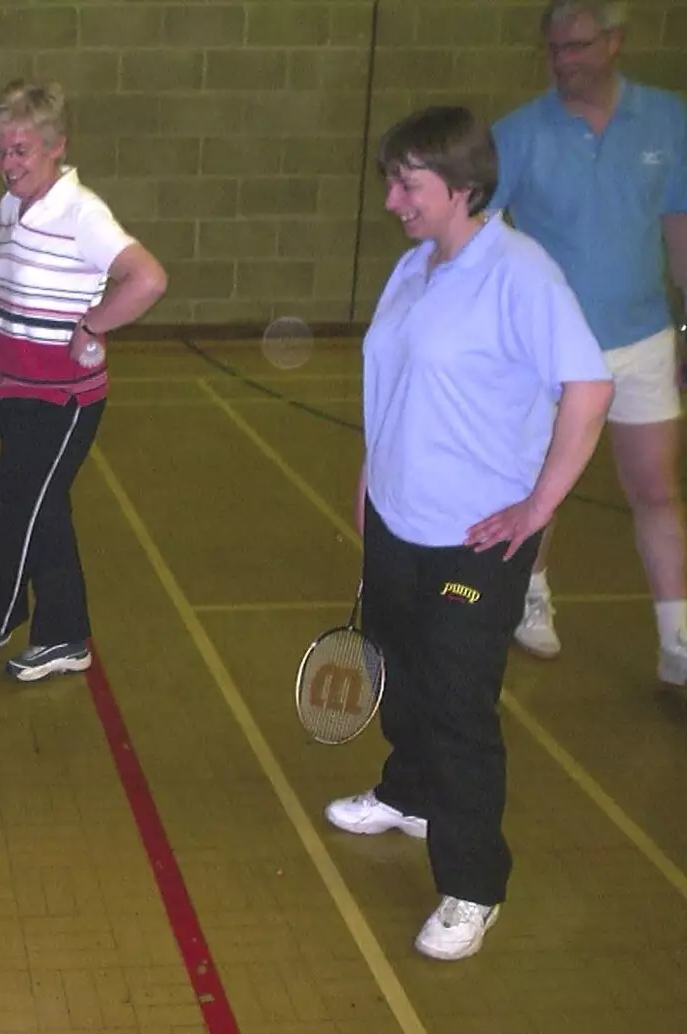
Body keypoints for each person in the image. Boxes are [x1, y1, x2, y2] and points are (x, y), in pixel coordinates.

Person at [327, 106, 613, 961]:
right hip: (398, 520)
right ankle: (408, 794)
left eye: (407, 184)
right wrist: (372, 477)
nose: (391, 200)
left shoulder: (520, 274)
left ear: (462, 187)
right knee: (400, 673)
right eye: (390, 180)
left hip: (475, 541)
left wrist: (538, 508)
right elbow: (396, 380)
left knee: (456, 706)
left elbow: (588, 390)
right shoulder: (416, 268)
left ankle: (473, 884)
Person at [0, 79, 167, 682]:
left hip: (64, 397)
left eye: (21, 151)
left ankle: (25, 624)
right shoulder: (13, 207)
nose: (7, 165)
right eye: (1, 151)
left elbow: (147, 279)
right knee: (29, 504)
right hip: (15, 389)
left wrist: (93, 324)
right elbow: (14, 293)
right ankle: (32, 625)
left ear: (56, 146)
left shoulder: (82, 213)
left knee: (27, 506)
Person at [490, 0, 687, 674]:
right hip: (549, 352)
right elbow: (479, 239)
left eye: (575, 46)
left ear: (615, 42)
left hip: (644, 340)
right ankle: (531, 597)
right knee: (545, 484)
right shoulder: (516, 134)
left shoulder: (668, 119)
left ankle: (677, 639)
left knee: (657, 490)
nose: (562, 61)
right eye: (553, 49)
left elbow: (679, 231)